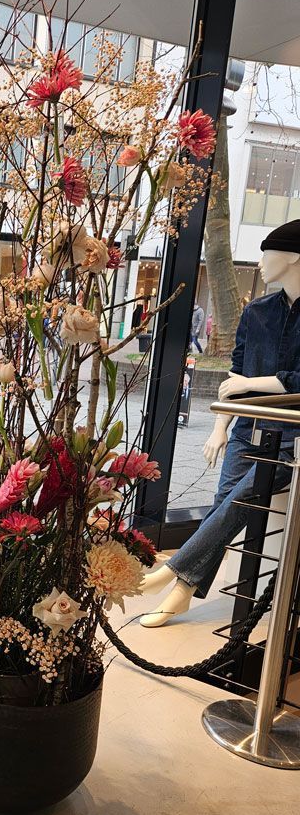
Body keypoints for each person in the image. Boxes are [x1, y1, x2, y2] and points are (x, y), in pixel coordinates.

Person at [140, 219, 300, 627]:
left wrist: (253, 384)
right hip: (248, 429)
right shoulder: (258, 312)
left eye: (269, 253)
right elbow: (234, 378)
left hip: (291, 438)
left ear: (294, 258)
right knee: (223, 504)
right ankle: (181, 592)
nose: (262, 262)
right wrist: (219, 428)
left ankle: (175, 572)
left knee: (238, 502)